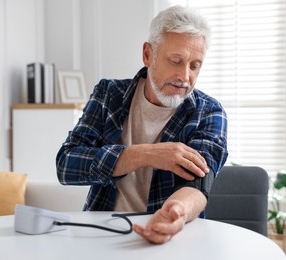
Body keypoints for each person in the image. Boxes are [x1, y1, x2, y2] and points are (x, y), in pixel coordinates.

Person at [56, 5, 228, 244]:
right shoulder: (109, 94)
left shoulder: (209, 111)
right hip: (101, 231)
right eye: (176, 60)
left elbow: (198, 182)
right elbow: (66, 165)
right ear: (148, 54)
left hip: (174, 235)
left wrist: (175, 211)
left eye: (195, 65)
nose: (185, 76)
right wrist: (147, 154)